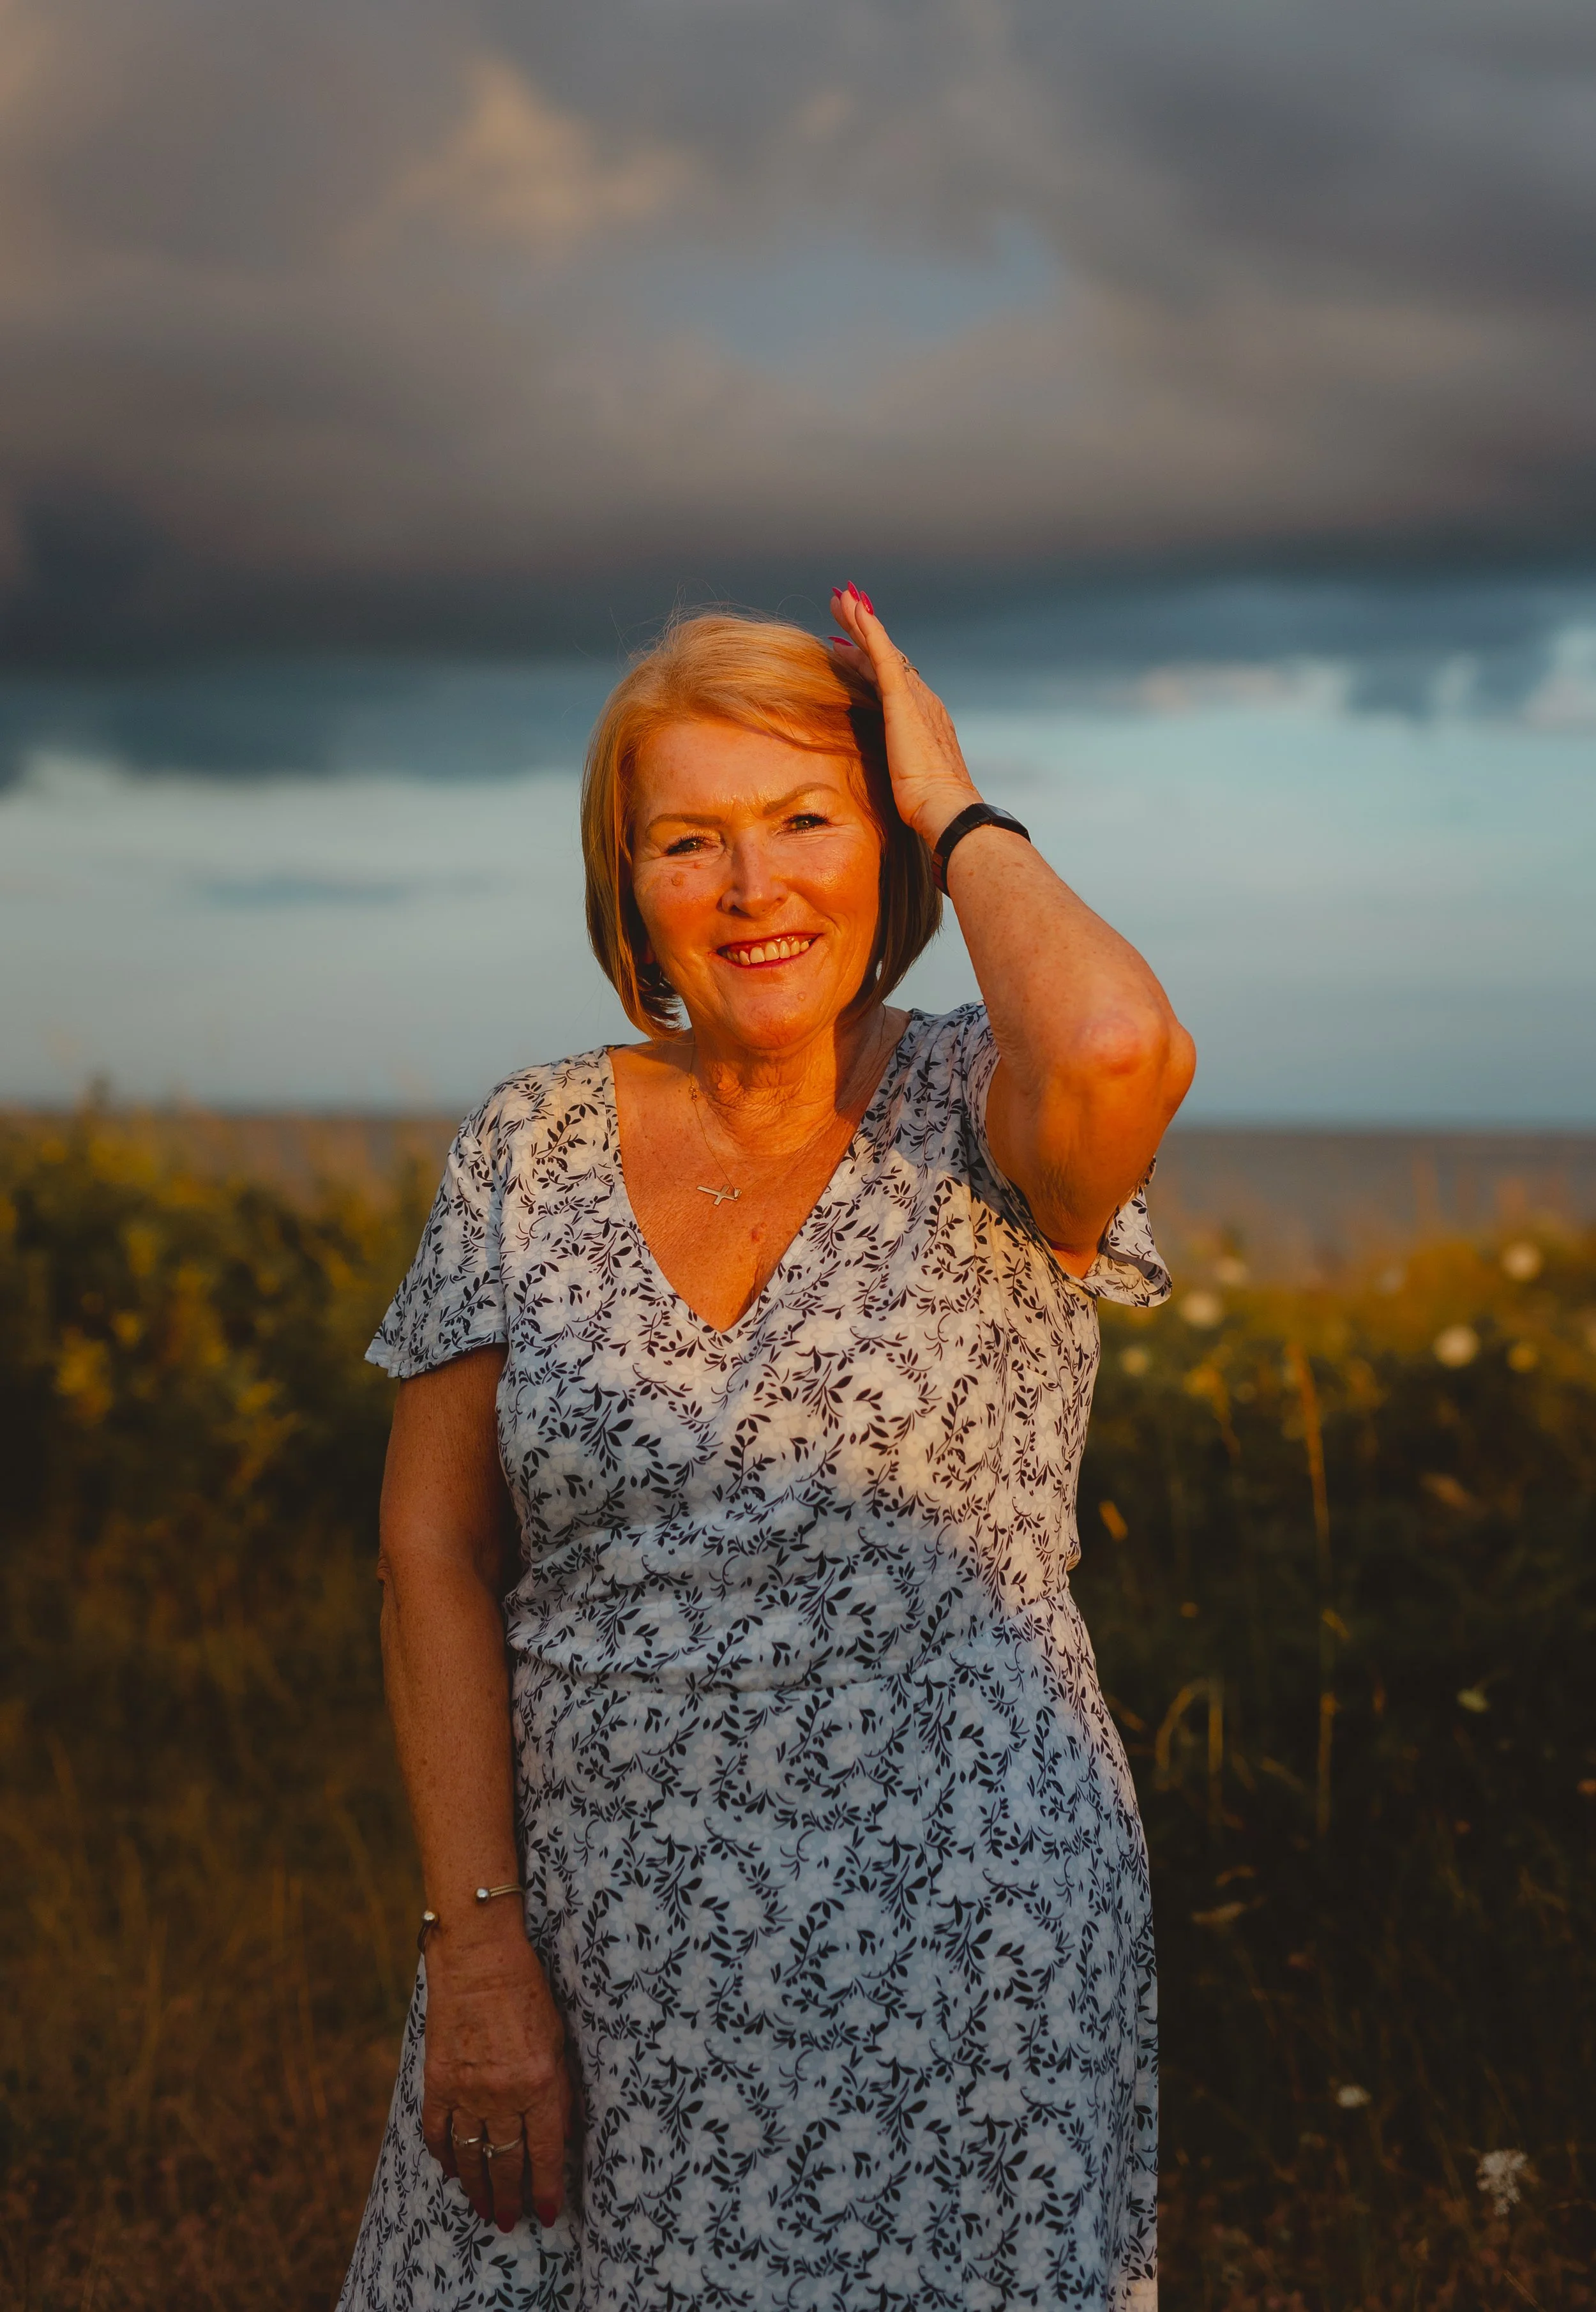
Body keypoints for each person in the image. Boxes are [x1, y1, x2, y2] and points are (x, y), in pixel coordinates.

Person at [340, 585, 1194, 2312]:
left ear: (882, 855)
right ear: (625, 890)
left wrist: (951, 798)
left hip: (961, 1958)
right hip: (590, 1956)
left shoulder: (990, 1112)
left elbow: (1118, 1039)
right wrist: (479, 1938)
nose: (751, 888)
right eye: (688, 840)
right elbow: (429, 1552)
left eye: (807, 820)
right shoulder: (528, 1142)